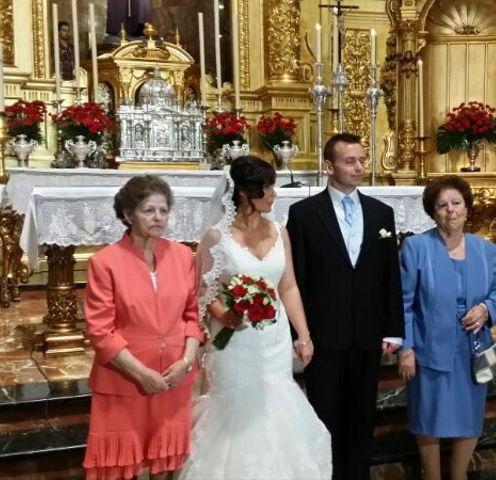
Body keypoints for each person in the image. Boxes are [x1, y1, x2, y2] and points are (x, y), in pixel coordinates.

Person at [178, 156, 331, 479]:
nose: (274, 193)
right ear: (247, 193)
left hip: (272, 339)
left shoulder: (279, 231)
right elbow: (201, 292)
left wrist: (303, 335)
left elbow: (287, 286)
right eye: (268, 186)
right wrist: (227, 313)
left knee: (276, 404)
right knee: (236, 409)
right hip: (235, 341)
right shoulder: (216, 237)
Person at [287, 133, 404, 480]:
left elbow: (389, 276)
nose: (359, 168)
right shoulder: (304, 213)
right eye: (350, 161)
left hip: (368, 335)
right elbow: (297, 280)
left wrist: (394, 328)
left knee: (362, 418)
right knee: (325, 417)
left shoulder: (381, 212)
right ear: (328, 166)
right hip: (324, 336)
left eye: (362, 160)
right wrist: (300, 334)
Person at [82, 175, 204, 480]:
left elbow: (192, 316)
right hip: (124, 381)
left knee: (167, 463)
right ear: (127, 214)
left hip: (173, 378)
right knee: (122, 467)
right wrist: (141, 374)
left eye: (164, 210)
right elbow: (100, 331)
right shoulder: (104, 262)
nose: (158, 217)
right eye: (149, 210)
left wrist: (186, 363)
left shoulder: (182, 256)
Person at [398, 175, 496, 480]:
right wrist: (406, 348)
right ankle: (431, 476)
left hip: (474, 349)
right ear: (433, 212)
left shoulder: (485, 250)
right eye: (442, 205)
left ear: (467, 208)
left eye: (456, 203)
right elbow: (403, 303)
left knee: (469, 415)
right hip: (428, 346)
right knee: (428, 415)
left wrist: (487, 308)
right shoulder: (416, 247)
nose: (450, 210)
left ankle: (459, 475)